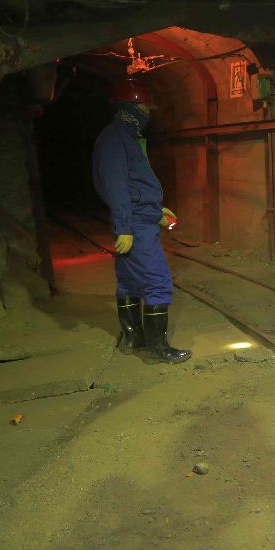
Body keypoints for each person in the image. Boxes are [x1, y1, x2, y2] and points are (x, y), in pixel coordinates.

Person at [92, 78, 191, 364]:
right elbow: (116, 185)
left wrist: (157, 212)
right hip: (135, 225)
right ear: (130, 107)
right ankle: (158, 350)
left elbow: (133, 185)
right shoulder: (116, 138)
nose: (147, 113)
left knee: (129, 282)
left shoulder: (126, 136)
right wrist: (125, 227)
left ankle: (134, 339)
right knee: (158, 281)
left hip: (139, 219)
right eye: (144, 108)